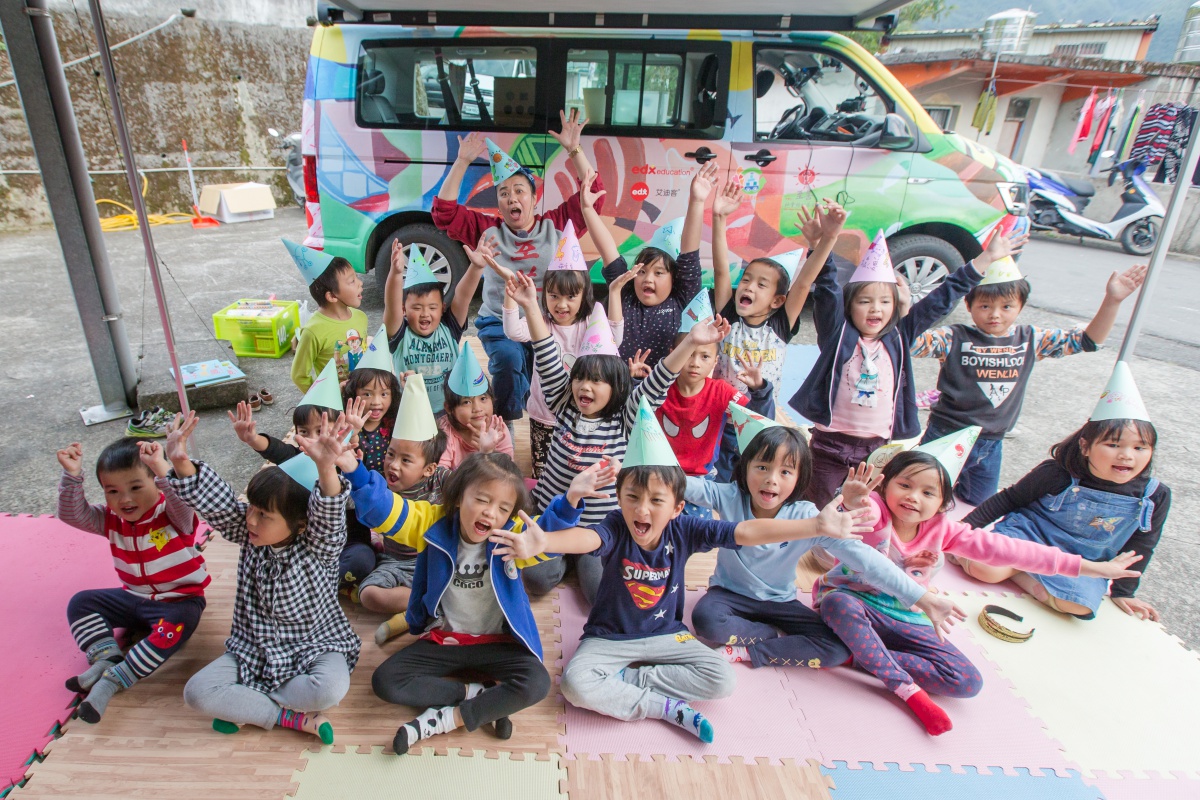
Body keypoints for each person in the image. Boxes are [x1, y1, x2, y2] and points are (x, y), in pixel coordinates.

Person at [491, 407, 875, 743]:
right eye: (632, 498)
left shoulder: (688, 530)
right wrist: (544, 541)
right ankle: (664, 708)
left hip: (666, 635)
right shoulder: (614, 526)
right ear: (619, 499)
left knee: (722, 680)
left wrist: (812, 526)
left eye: (656, 501)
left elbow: (746, 532)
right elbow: (586, 537)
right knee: (574, 685)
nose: (643, 510)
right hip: (609, 638)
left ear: (677, 507)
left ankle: (633, 684)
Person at [816, 428, 1141, 736]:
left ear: (942, 503)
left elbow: (1013, 550)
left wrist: (1094, 569)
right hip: (856, 603)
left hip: (905, 615)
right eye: (905, 485)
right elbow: (863, 520)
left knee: (965, 681)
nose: (914, 497)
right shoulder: (874, 510)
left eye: (928, 492)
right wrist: (854, 503)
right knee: (837, 603)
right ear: (886, 486)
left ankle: (852, 652)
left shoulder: (943, 529)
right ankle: (904, 688)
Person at [345, 450, 611, 755]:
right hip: (445, 640)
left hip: (499, 644)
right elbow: (386, 510)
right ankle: (482, 696)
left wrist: (572, 498)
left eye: (503, 508)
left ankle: (448, 718)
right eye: (482, 500)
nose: (490, 513)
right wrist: (353, 468)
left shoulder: (511, 537)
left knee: (538, 682)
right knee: (385, 681)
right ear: (459, 497)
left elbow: (546, 533)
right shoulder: (433, 526)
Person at [512, 261, 731, 602]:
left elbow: (659, 381)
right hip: (554, 516)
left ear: (617, 387)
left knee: (600, 592)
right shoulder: (563, 401)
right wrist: (528, 304)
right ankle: (561, 557)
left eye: (597, 381)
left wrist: (690, 343)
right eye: (582, 377)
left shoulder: (627, 416)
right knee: (536, 580)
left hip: (600, 529)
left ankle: (580, 556)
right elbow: (546, 354)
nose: (586, 386)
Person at [685, 413, 959, 670]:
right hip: (728, 596)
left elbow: (866, 559)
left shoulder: (809, 516)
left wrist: (923, 599)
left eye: (785, 472)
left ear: (800, 477)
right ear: (745, 469)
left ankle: (752, 651)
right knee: (706, 622)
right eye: (762, 467)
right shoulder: (727, 495)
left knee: (836, 648)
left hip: (780, 602)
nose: (771, 480)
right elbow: (681, 484)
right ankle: (771, 635)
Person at [790, 227, 1027, 508]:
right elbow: (827, 289)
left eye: (884, 301)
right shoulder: (837, 336)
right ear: (849, 306)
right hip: (830, 445)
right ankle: (807, 548)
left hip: (878, 449)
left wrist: (985, 260)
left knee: (871, 508)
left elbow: (942, 299)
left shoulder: (899, 337)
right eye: (864, 301)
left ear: (895, 305)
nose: (875, 308)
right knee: (815, 504)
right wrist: (820, 244)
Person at [175, 411, 361, 744]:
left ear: (300, 524)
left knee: (329, 690)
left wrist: (324, 467)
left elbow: (331, 512)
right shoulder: (248, 531)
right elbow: (216, 502)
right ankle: (287, 717)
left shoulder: (319, 546)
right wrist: (179, 459)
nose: (251, 520)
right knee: (197, 693)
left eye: (265, 515)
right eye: (251, 508)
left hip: (316, 647)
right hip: (253, 652)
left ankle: (247, 704)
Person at [912, 256, 1147, 504]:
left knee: (976, 503)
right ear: (969, 306)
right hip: (946, 434)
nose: (995, 315)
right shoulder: (953, 337)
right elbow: (909, 341)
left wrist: (1113, 301)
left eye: (1006, 306)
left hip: (991, 442)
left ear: (1020, 306)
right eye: (984, 306)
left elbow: (1087, 341)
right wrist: (907, 307)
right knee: (923, 493)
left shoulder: (1030, 339)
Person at [960, 361, 1169, 622]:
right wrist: (961, 533)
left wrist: (1123, 592)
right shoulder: (1058, 473)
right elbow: (1009, 499)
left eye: (1140, 448)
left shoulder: (1154, 495)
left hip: (1084, 561)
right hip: (1030, 536)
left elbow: (1142, 545)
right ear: (1085, 446)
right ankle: (1015, 566)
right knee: (983, 569)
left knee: (1079, 607)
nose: (1127, 456)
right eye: (1114, 444)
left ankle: (1023, 574)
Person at [433, 111, 600, 426]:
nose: (512, 198)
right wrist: (462, 163)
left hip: (548, 323)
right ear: (498, 203)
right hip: (499, 322)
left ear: (534, 198)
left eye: (519, 191)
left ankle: (551, 426)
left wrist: (574, 150)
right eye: (504, 193)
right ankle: (504, 427)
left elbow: (592, 197)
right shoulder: (488, 229)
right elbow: (444, 214)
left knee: (553, 372)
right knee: (510, 364)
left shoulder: (555, 225)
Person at [55, 437, 209, 723]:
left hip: (179, 602)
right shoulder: (110, 519)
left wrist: (163, 469)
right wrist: (72, 476)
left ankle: (116, 677)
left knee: (178, 625)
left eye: (136, 487)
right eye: (112, 491)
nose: (125, 499)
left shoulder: (173, 513)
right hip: (133, 598)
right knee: (81, 602)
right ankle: (106, 655)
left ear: (155, 484)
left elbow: (182, 501)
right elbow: (70, 514)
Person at [710, 186, 848, 479]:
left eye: (761, 284)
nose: (748, 286)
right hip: (721, 414)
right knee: (721, 475)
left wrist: (829, 238)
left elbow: (804, 281)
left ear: (777, 301)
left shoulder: (780, 324)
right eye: (746, 280)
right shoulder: (729, 314)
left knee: (754, 472)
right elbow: (722, 270)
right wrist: (719, 218)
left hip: (761, 412)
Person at [501, 210, 626, 477]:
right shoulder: (541, 323)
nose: (561, 304)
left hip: (579, 416)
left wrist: (614, 292)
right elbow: (512, 330)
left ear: (584, 295)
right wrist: (511, 292)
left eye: (570, 296)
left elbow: (614, 339)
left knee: (575, 471)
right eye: (554, 295)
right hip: (543, 415)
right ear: (544, 293)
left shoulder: (589, 323)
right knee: (543, 473)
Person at [356, 379, 451, 646]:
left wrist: (487, 451)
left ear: (429, 468)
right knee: (368, 595)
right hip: (396, 562)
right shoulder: (381, 485)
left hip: (434, 560)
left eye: (406, 460)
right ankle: (423, 607)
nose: (393, 466)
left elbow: (468, 489)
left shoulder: (440, 479)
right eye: (390, 454)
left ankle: (410, 615)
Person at [656, 297, 772, 494]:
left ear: (715, 361)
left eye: (705, 356)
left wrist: (759, 391)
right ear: (673, 353)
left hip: (703, 479)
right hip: (659, 475)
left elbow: (758, 424)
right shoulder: (659, 388)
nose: (695, 363)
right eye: (689, 353)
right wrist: (634, 380)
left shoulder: (721, 392)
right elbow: (633, 409)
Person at [601, 165, 711, 372]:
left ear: (674, 278)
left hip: (663, 392)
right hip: (622, 390)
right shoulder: (625, 293)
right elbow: (607, 251)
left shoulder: (681, 300)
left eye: (659, 272)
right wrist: (588, 209)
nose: (647, 279)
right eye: (642, 271)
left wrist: (696, 201)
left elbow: (690, 255)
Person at [384, 235, 495, 417]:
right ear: (404, 309)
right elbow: (391, 306)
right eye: (417, 308)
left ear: (443, 308)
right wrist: (395, 274)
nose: (425, 313)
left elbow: (462, 296)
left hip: (449, 411)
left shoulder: (449, 328)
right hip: (411, 413)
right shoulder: (400, 335)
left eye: (432, 307)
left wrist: (476, 267)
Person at [284, 238, 368, 391]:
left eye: (356, 278)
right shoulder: (313, 331)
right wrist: (321, 400)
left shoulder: (360, 317)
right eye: (352, 281)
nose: (360, 283)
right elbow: (299, 375)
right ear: (332, 296)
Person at [438, 342, 515, 469]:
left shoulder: (498, 429)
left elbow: (507, 473)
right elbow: (441, 480)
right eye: (466, 402)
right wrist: (482, 455)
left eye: (483, 398)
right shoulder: (444, 433)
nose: (477, 408)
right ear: (449, 408)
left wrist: (490, 452)